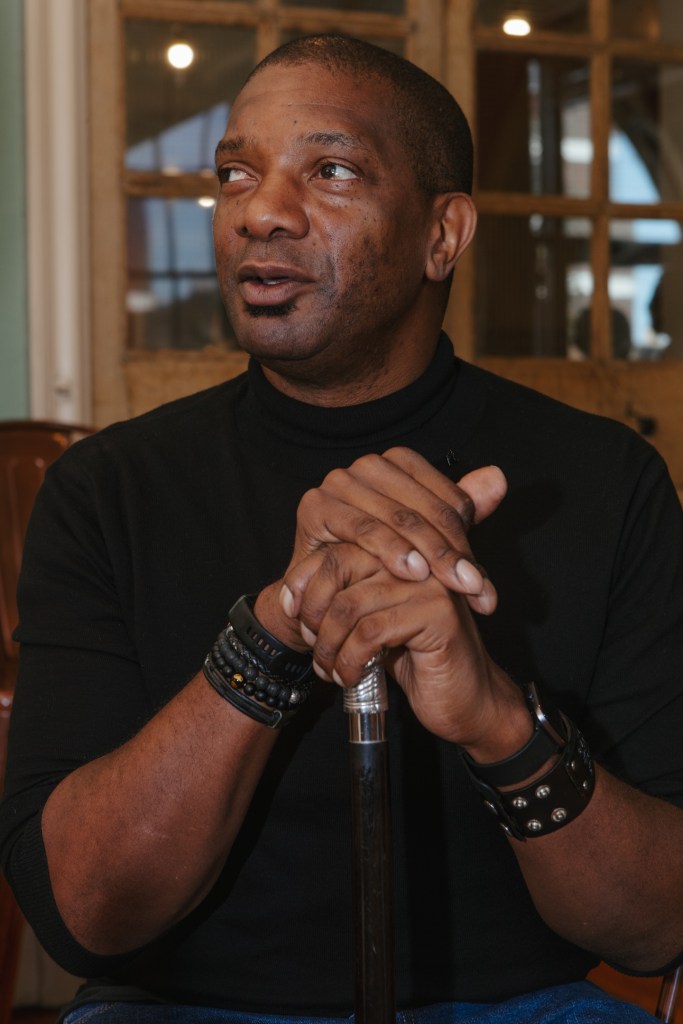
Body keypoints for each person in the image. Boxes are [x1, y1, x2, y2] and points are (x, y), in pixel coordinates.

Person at [1, 33, 682, 1024]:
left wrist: (495, 720)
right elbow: (87, 914)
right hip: (186, 1009)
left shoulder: (602, 482)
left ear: (441, 233)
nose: (259, 211)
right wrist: (269, 632)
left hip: (517, 1006)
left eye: (329, 170)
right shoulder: (107, 491)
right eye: (236, 172)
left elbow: (655, 924)